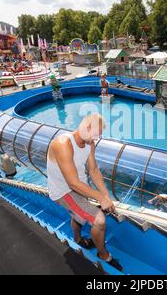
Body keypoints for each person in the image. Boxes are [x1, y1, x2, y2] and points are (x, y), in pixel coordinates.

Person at [47, 113, 122, 271]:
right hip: (64, 191)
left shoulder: (90, 144)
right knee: (99, 220)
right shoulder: (63, 144)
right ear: (87, 128)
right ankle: (103, 255)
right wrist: (100, 198)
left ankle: (78, 238)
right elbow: (73, 183)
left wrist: (106, 196)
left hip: (79, 187)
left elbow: (93, 170)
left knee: (79, 214)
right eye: (96, 134)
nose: (96, 138)